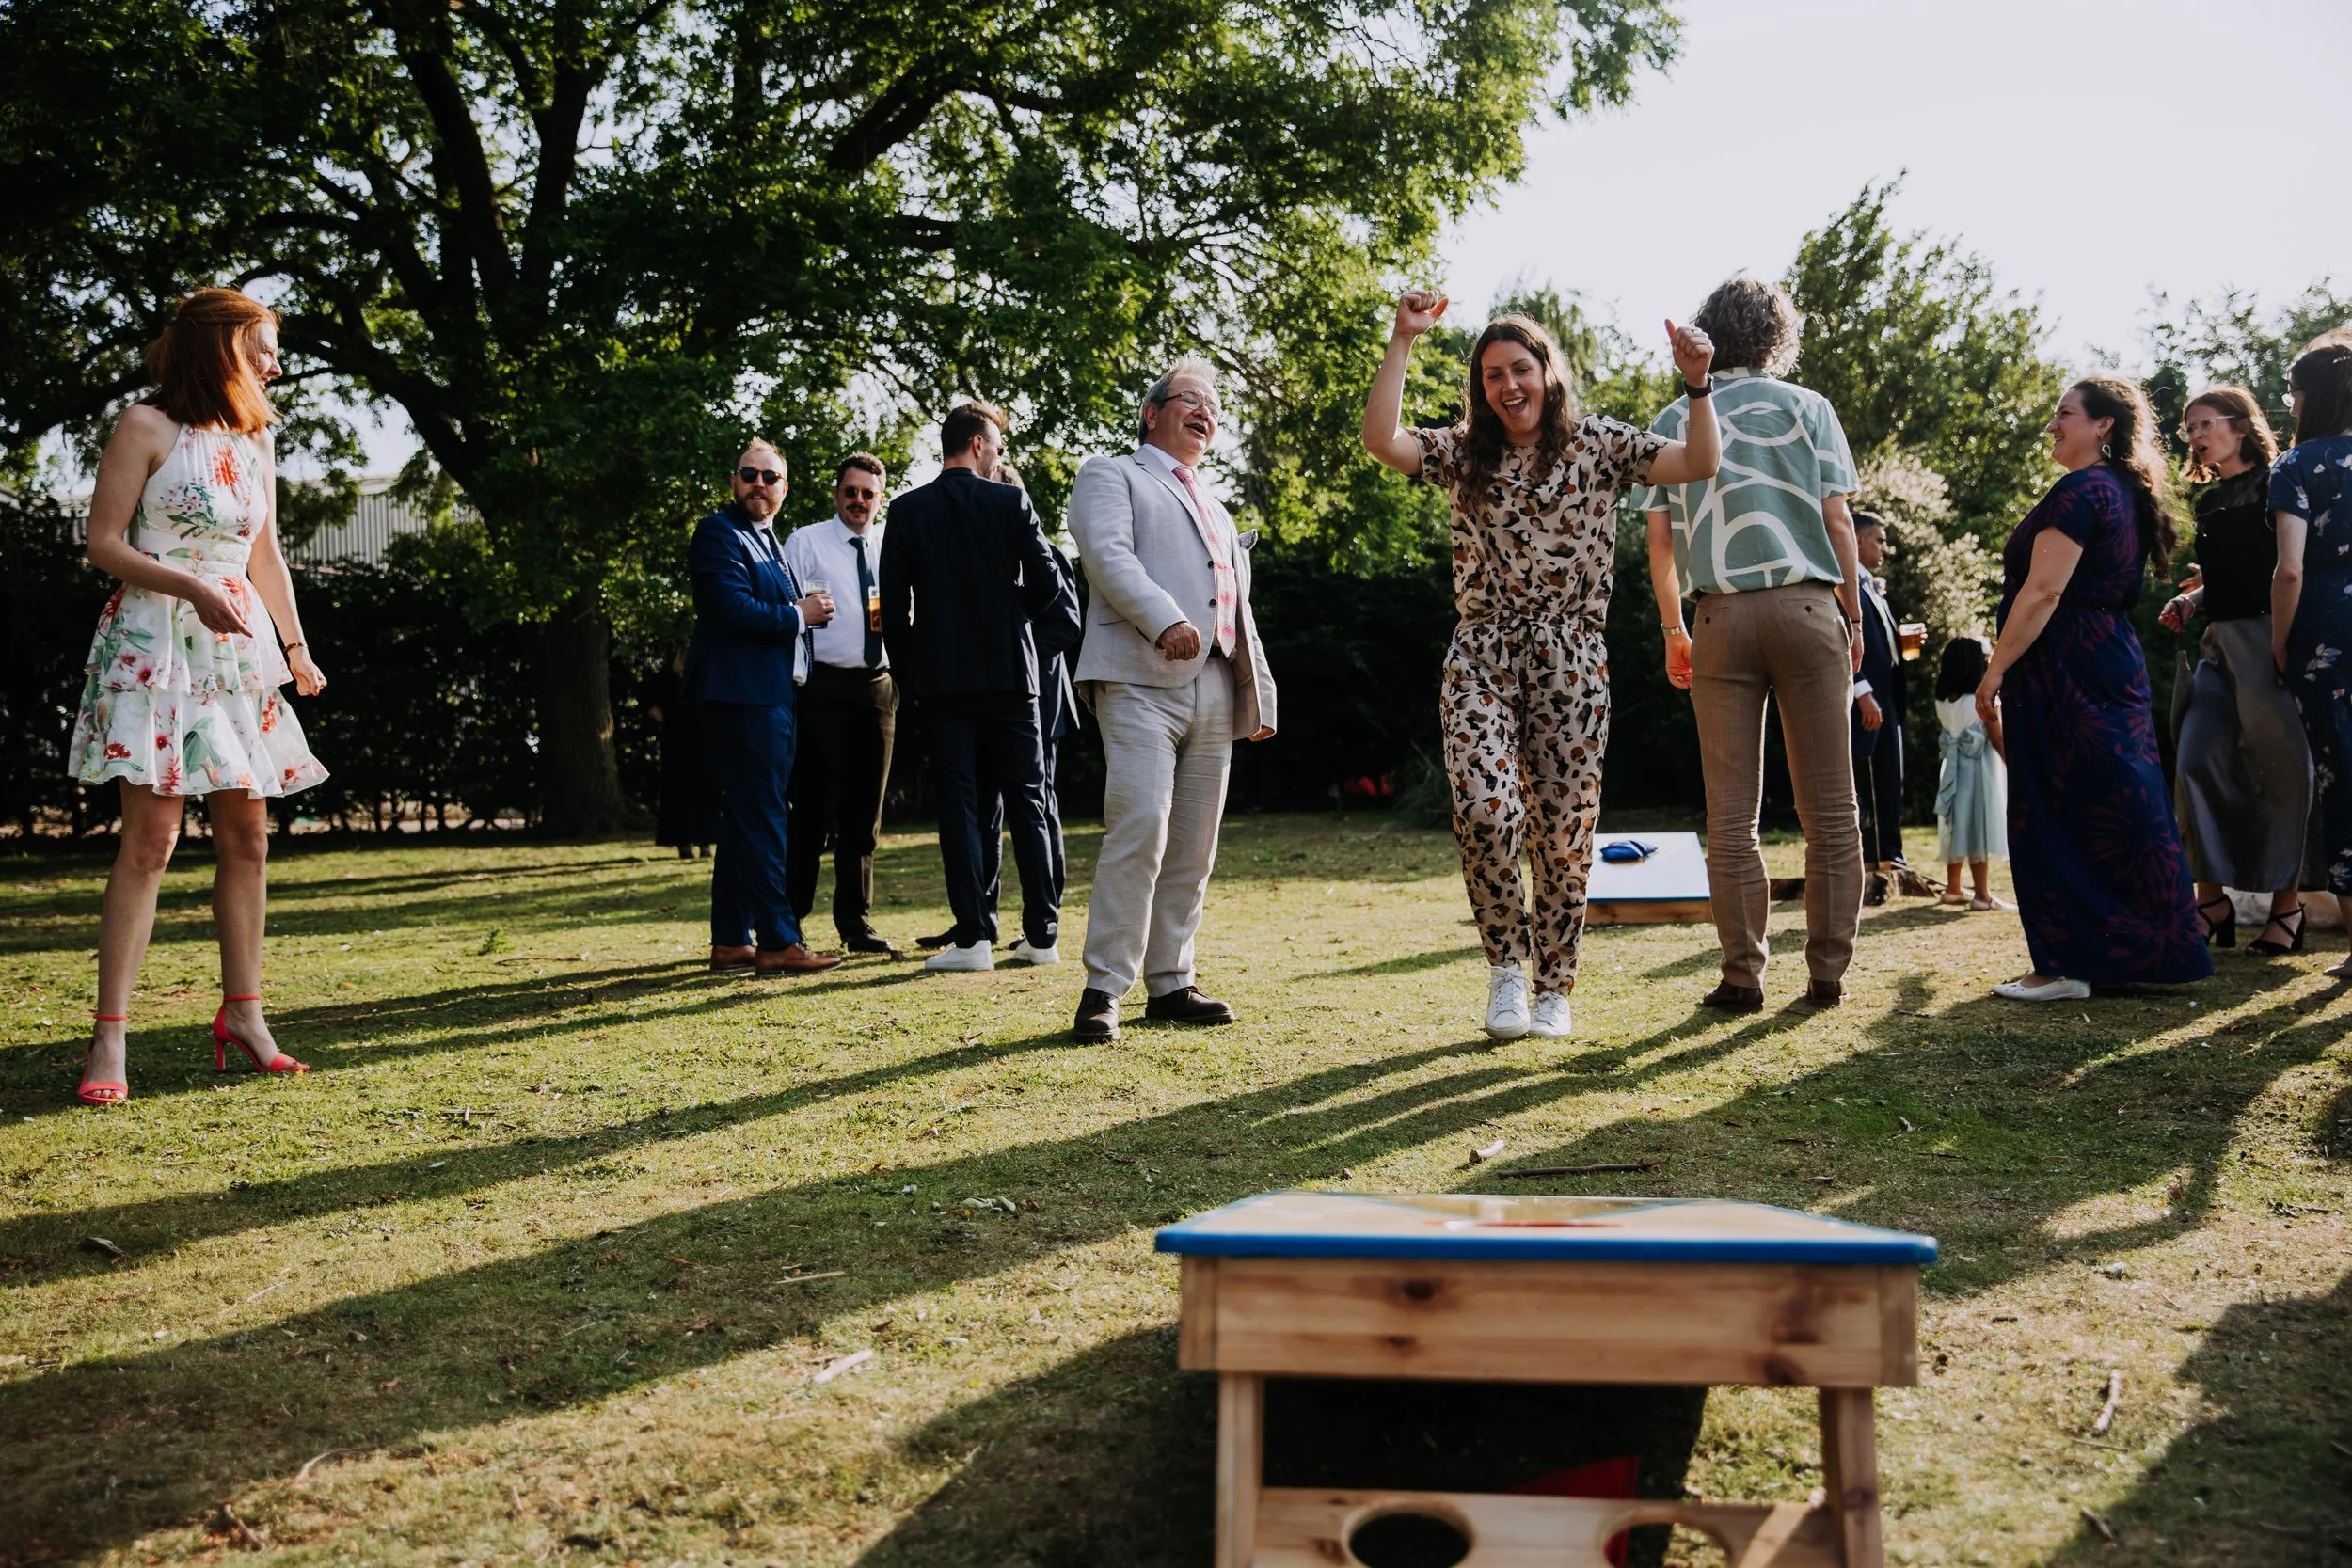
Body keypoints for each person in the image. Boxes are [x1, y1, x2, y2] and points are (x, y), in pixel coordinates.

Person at [1363, 294, 1717, 1039]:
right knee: (1488, 813)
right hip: (1482, 652)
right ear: (1480, 388)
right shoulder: (1464, 452)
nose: (1507, 386)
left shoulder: (1600, 444)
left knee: (1563, 832)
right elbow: (1381, 439)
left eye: (1519, 368)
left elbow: (1699, 461)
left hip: (1571, 658)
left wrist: (1696, 385)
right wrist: (1402, 339)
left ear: (1547, 371)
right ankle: (1506, 970)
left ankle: (1555, 986)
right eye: (1491, 375)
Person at [66, 287, 330, 1106]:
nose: (276, 364)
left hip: (236, 650)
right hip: (155, 646)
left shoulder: (254, 439)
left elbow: (268, 556)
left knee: (248, 834)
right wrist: (187, 585)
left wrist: (295, 645)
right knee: (151, 839)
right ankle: (111, 1035)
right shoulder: (145, 427)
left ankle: (244, 1016)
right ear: (220, 347)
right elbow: (102, 544)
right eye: (264, 347)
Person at [1641, 277, 1867, 1013]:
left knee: (1731, 815)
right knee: (1830, 808)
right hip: (1807, 609)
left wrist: (1674, 628)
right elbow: (1838, 524)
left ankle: (1742, 975)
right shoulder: (1810, 409)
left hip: (1720, 619)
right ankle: (1827, 973)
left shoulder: (1677, 414)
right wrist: (1855, 617)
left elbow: (1660, 541)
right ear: (1778, 334)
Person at [1976, 379, 2210, 1001]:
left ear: (2104, 425)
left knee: (2054, 805)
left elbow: (2043, 591)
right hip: (2109, 658)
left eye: (2065, 414)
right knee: (2121, 803)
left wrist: (1995, 668)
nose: (2052, 425)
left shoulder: (2081, 492)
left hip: (2064, 668)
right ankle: (2133, 952)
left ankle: (2061, 966)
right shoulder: (2123, 492)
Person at [1066, 356, 1278, 1042]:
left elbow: (1236, 607)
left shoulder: (1215, 505)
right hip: (1137, 678)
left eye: (1213, 406)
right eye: (1190, 399)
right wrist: (1165, 618)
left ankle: (1171, 982)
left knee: (1193, 844)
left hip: (1215, 685)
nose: (1205, 412)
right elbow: (1107, 554)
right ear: (1153, 411)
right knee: (1141, 825)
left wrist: (1256, 693)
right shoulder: (1111, 473)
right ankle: (1103, 988)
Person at [879, 402, 1080, 974]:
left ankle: (973, 941)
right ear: (975, 444)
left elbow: (893, 608)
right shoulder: (1011, 500)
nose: (999, 458)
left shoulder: (908, 509)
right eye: (996, 448)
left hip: (940, 681)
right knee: (1029, 800)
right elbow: (1047, 584)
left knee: (959, 807)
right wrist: (1005, 612)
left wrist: (911, 672)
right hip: (1011, 675)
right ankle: (1042, 935)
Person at [2155, 387, 2311, 956]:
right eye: (2188, 427)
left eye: (2204, 424)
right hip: (2219, 646)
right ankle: (2211, 900)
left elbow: (2293, 567)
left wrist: (2284, 644)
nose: (2195, 436)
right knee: (2196, 757)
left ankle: (2286, 910)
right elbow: (2227, 576)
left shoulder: (2282, 483)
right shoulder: (2208, 503)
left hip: (2274, 641)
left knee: (2283, 771)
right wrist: (2193, 602)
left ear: (2241, 427)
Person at [684, 441, 843, 979]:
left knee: (746, 819)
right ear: (734, 481)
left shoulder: (767, 539)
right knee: (766, 816)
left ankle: (731, 940)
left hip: (776, 694)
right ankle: (778, 939)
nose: (759, 483)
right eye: (749, 474)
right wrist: (800, 613)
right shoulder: (718, 533)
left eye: (769, 476)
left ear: (784, 487)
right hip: (741, 696)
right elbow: (730, 610)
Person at [918, 460, 1082, 953]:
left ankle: (1042, 924)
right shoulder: (977, 564)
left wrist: (1011, 644)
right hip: (986, 695)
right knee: (983, 812)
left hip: (1037, 696)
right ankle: (980, 919)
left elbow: (1066, 624)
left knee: (1037, 806)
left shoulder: (1047, 554)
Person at [782, 453, 902, 956]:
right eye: (850, 492)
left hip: (878, 688)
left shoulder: (892, 546)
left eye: (868, 494)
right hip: (822, 689)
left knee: (864, 816)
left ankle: (856, 922)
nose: (858, 501)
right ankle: (788, 923)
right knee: (811, 812)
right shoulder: (806, 542)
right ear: (836, 495)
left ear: (879, 499)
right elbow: (784, 609)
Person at [2269, 329, 2352, 977]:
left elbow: (2288, 570)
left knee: (2340, 777)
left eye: (2292, 394)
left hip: (2327, 638)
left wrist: (2279, 641)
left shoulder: (2298, 467)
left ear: (2311, 397)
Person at [1850, 511, 1910, 898]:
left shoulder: (1870, 584)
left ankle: (1891, 857)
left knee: (1891, 779)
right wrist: (1862, 691)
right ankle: (1865, 861)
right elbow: (1842, 637)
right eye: (1879, 540)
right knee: (1864, 780)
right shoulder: (1845, 582)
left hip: (1889, 696)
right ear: (1856, 539)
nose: (1884, 548)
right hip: (1866, 698)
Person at [1930, 635, 2008, 911]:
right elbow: (1997, 738)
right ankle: (1982, 895)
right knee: (1977, 828)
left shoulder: (1943, 700)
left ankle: (1953, 888)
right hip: (1977, 770)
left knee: (1955, 824)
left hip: (1951, 768)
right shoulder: (1982, 701)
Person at [647, 643, 717, 860]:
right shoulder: (667, 679)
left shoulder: (703, 678)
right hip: (676, 743)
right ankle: (683, 842)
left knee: (704, 792)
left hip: (701, 741)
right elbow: (649, 703)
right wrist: (667, 722)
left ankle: (705, 842)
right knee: (679, 792)